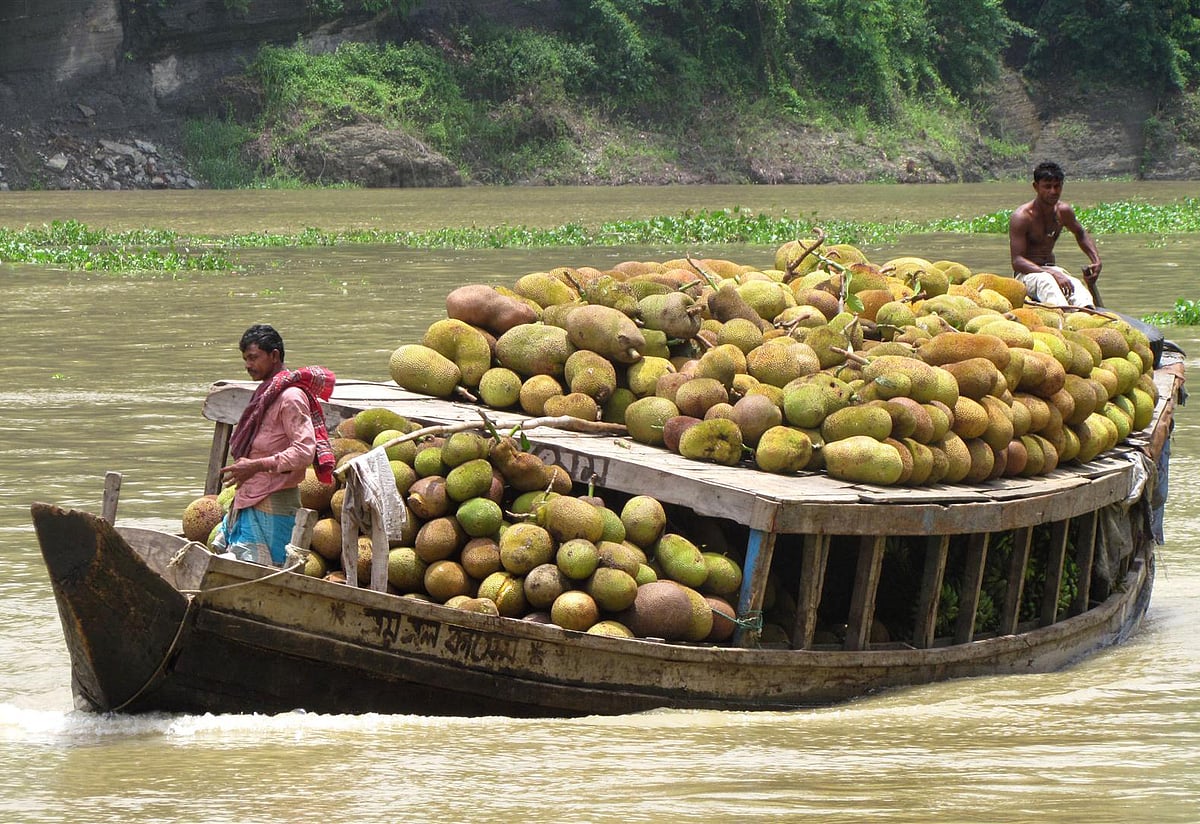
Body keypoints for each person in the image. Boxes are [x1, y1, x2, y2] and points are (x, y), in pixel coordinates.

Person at [213, 324, 337, 566]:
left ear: (275, 356)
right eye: (245, 359)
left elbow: (304, 451)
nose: (247, 365)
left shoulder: (291, 398)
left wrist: (256, 466)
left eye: (253, 358)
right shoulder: (266, 393)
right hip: (248, 497)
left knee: (263, 573)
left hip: (273, 502)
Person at [1009, 161, 1103, 308]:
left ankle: (1087, 312)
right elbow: (1017, 261)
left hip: (1052, 268)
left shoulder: (1063, 212)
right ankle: (1063, 314)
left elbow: (1081, 233)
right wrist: (1052, 274)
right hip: (1026, 275)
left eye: (1057, 186)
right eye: (1047, 187)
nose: (1053, 191)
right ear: (1036, 187)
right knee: (1046, 281)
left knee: (1076, 285)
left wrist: (1096, 260)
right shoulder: (1022, 217)